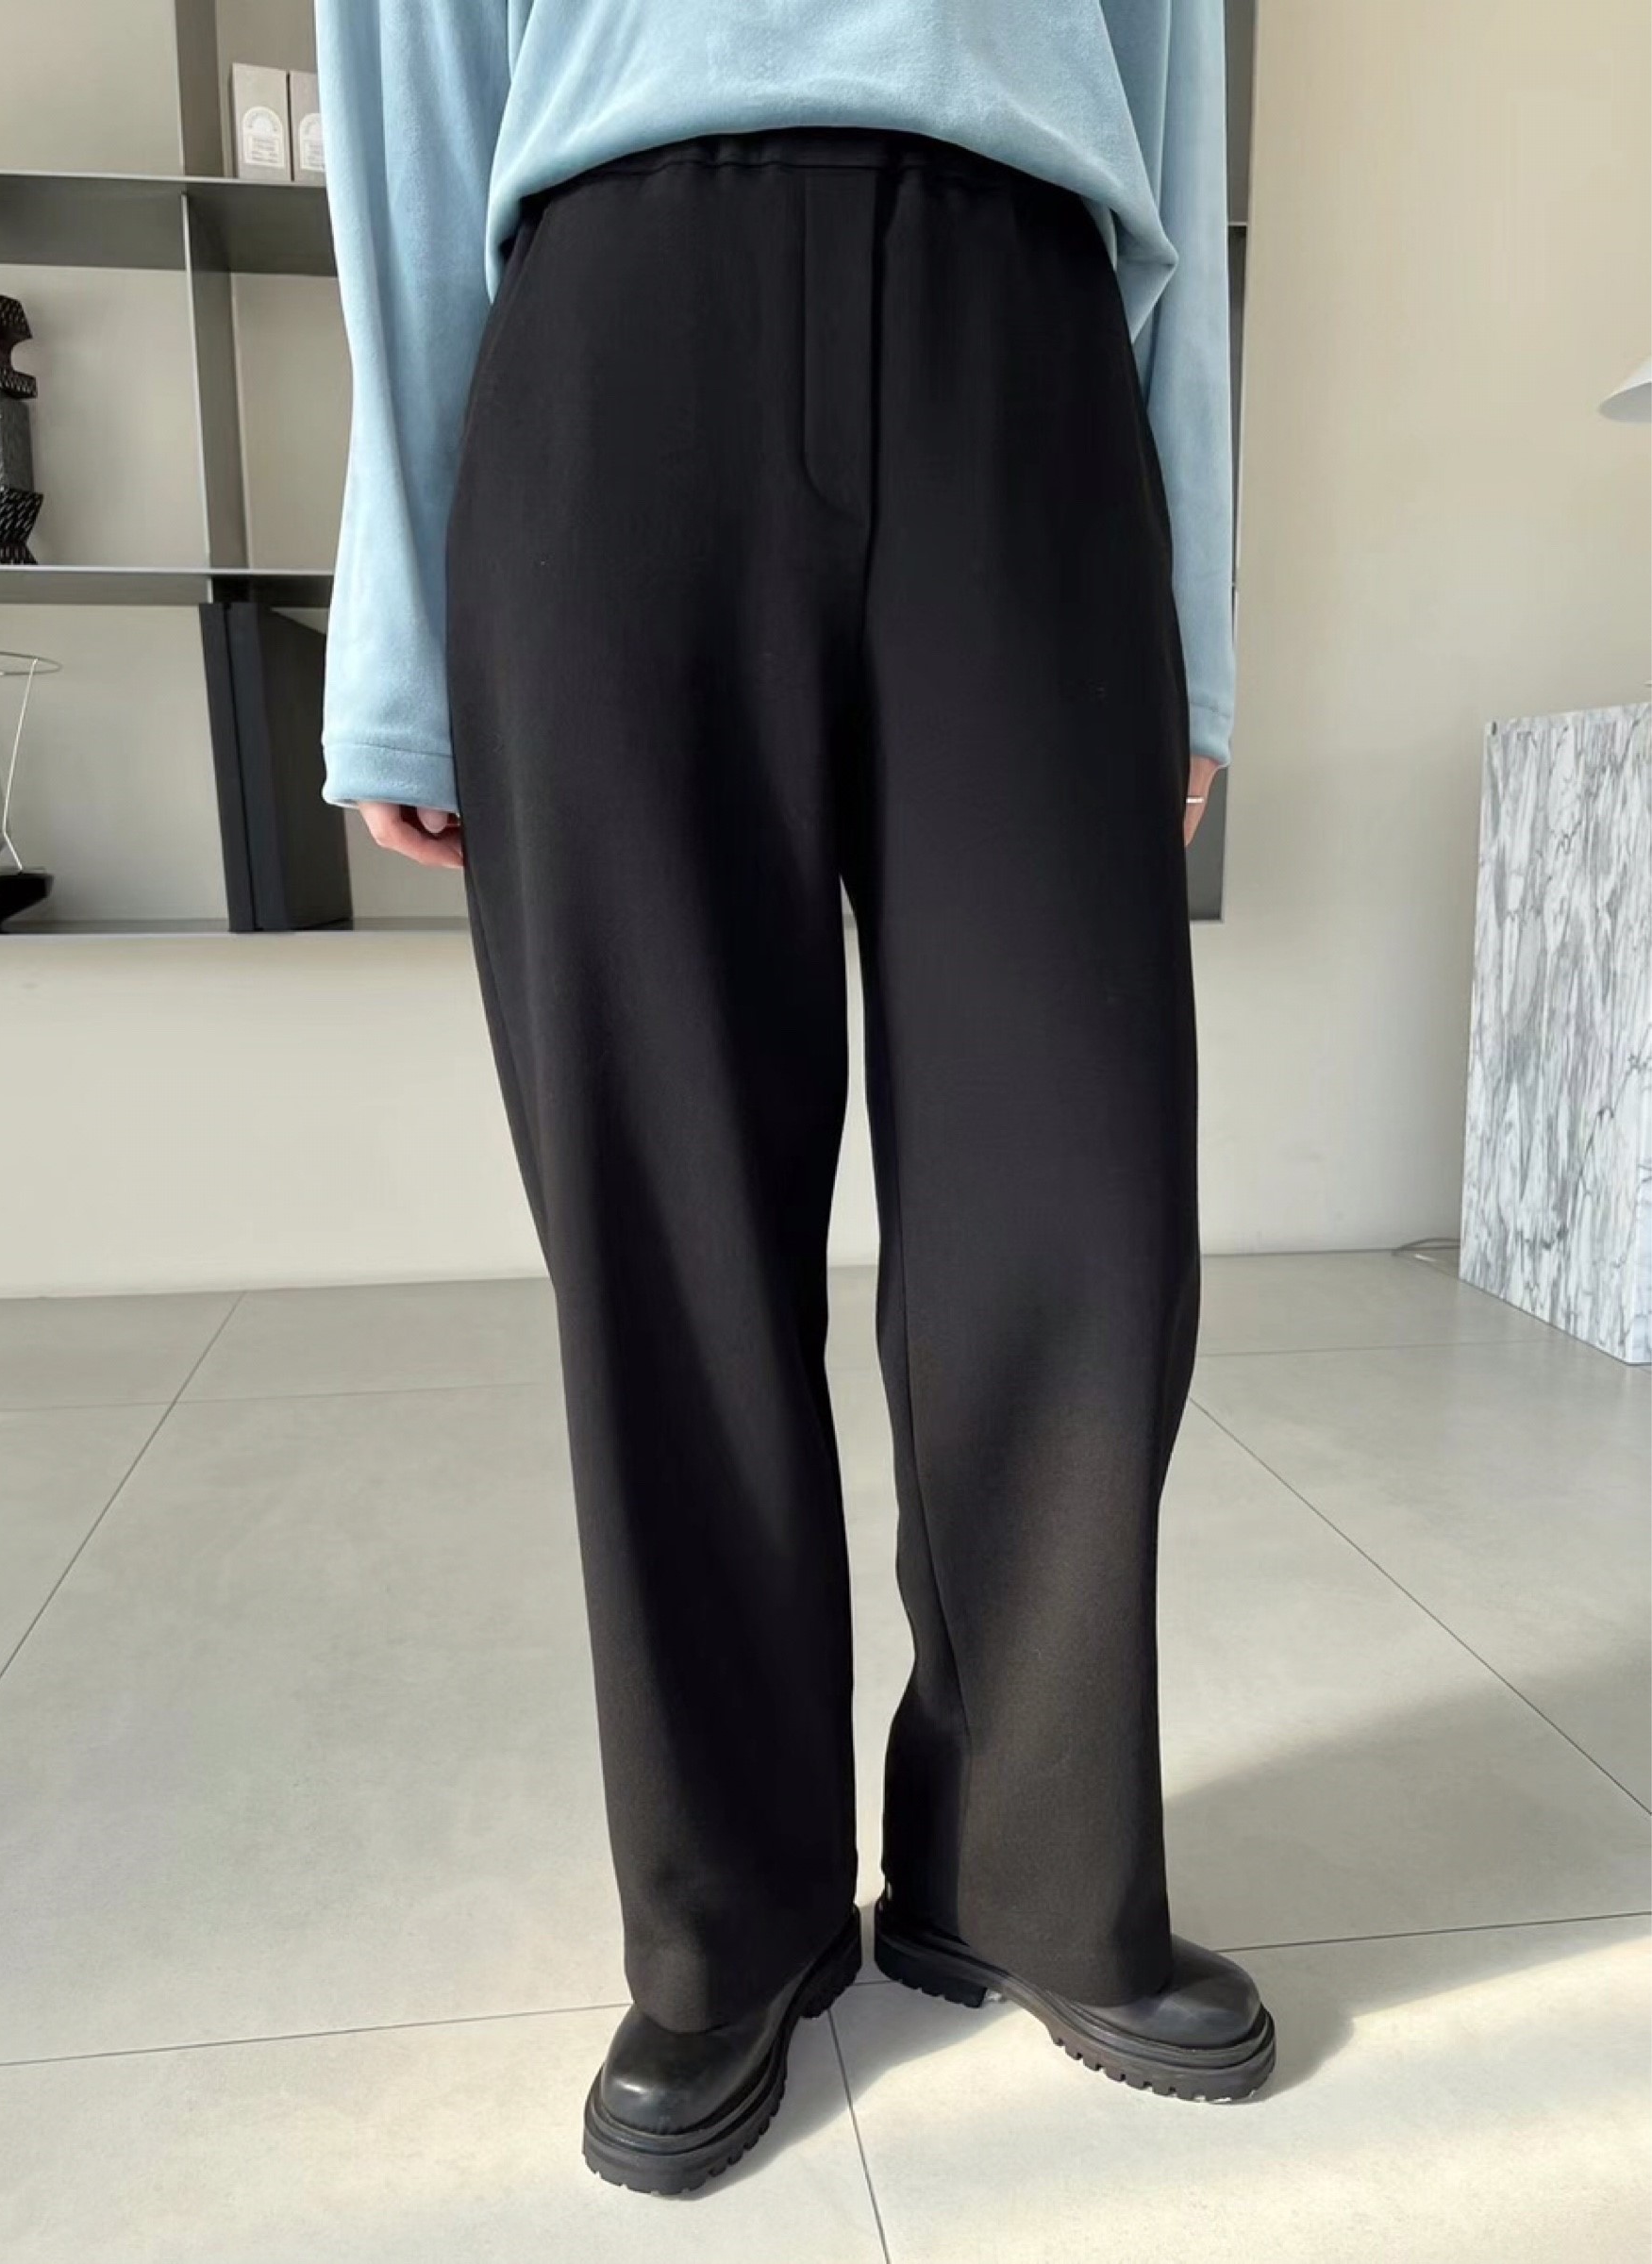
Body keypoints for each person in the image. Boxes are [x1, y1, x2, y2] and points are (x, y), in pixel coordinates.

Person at [314, 0, 1274, 2196]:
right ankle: (724, 1918)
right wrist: (396, 640)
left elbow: (1168, 107)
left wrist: (1190, 632)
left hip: (1022, 333)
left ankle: (1023, 1872)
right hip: (612, 326)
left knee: (1073, 1189)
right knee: (660, 1206)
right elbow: (407, 101)